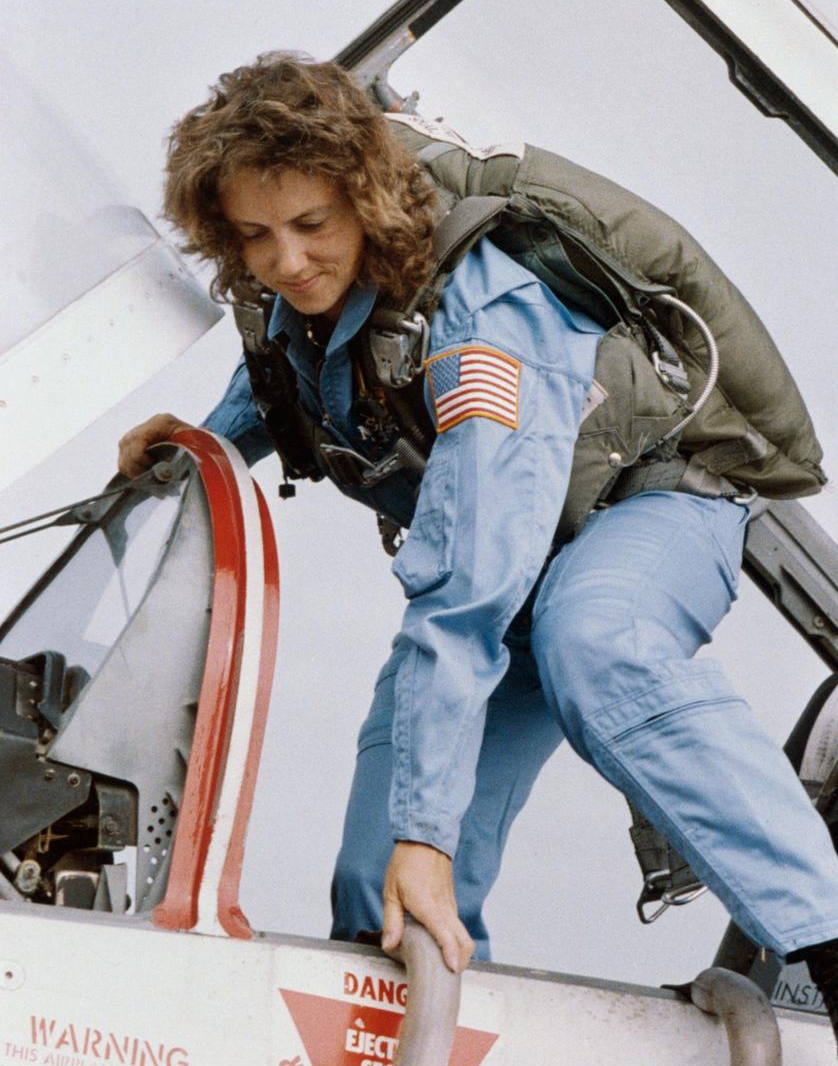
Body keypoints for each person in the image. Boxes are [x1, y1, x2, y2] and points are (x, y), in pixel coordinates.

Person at [118, 52, 838, 1034]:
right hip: (520, 561)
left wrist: (432, 829)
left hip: (655, 504)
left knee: (593, 636)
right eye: (255, 236)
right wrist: (191, 450)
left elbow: (467, 584)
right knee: (384, 885)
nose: (286, 260)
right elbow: (284, 388)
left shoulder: (486, 316)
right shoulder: (299, 304)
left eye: (311, 225)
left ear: (364, 198)